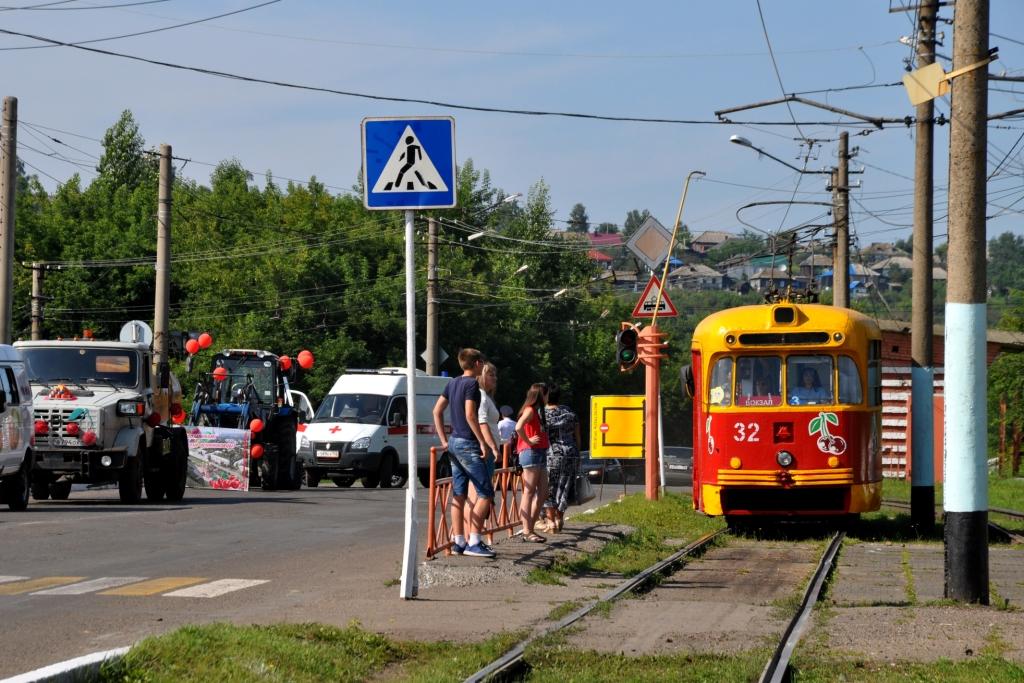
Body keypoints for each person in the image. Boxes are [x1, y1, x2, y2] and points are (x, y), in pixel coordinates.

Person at [432, 348, 495, 558]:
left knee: (458, 494)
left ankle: (459, 540)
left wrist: (443, 440)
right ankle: (474, 541)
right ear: (477, 363)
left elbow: (436, 411)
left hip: (453, 443)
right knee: (485, 492)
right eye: (482, 362)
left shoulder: (452, 383)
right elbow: (470, 414)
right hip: (468, 443)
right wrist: (482, 442)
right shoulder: (471, 385)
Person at [538, 384, 581, 534]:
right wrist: (578, 453)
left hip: (551, 454)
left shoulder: (541, 413)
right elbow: (577, 435)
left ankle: (550, 521)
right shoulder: (569, 412)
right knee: (566, 485)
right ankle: (559, 517)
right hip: (571, 452)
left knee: (549, 487)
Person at [515, 383, 550, 543]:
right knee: (528, 492)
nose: (548, 397)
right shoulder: (530, 410)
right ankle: (527, 530)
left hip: (540, 452)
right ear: (541, 395)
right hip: (531, 452)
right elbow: (518, 427)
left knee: (543, 491)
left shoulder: (538, 412)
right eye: (546, 394)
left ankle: (530, 525)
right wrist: (528, 440)